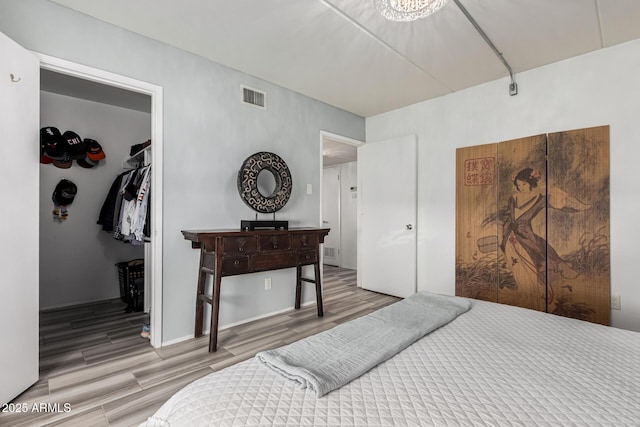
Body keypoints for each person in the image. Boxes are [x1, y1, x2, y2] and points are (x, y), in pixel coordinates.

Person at [500, 168, 583, 310]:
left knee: (534, 262)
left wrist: (579, 207)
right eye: (519, 185)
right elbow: (508, 216)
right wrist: (507, 234)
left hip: (527, 236)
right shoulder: (514, 197)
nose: (521, 188)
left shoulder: (540, 198)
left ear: (531, 182)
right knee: (518, 266)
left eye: (524, 185)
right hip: (510, 236)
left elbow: (560, 205)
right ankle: (526, 294)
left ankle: (540, 296)